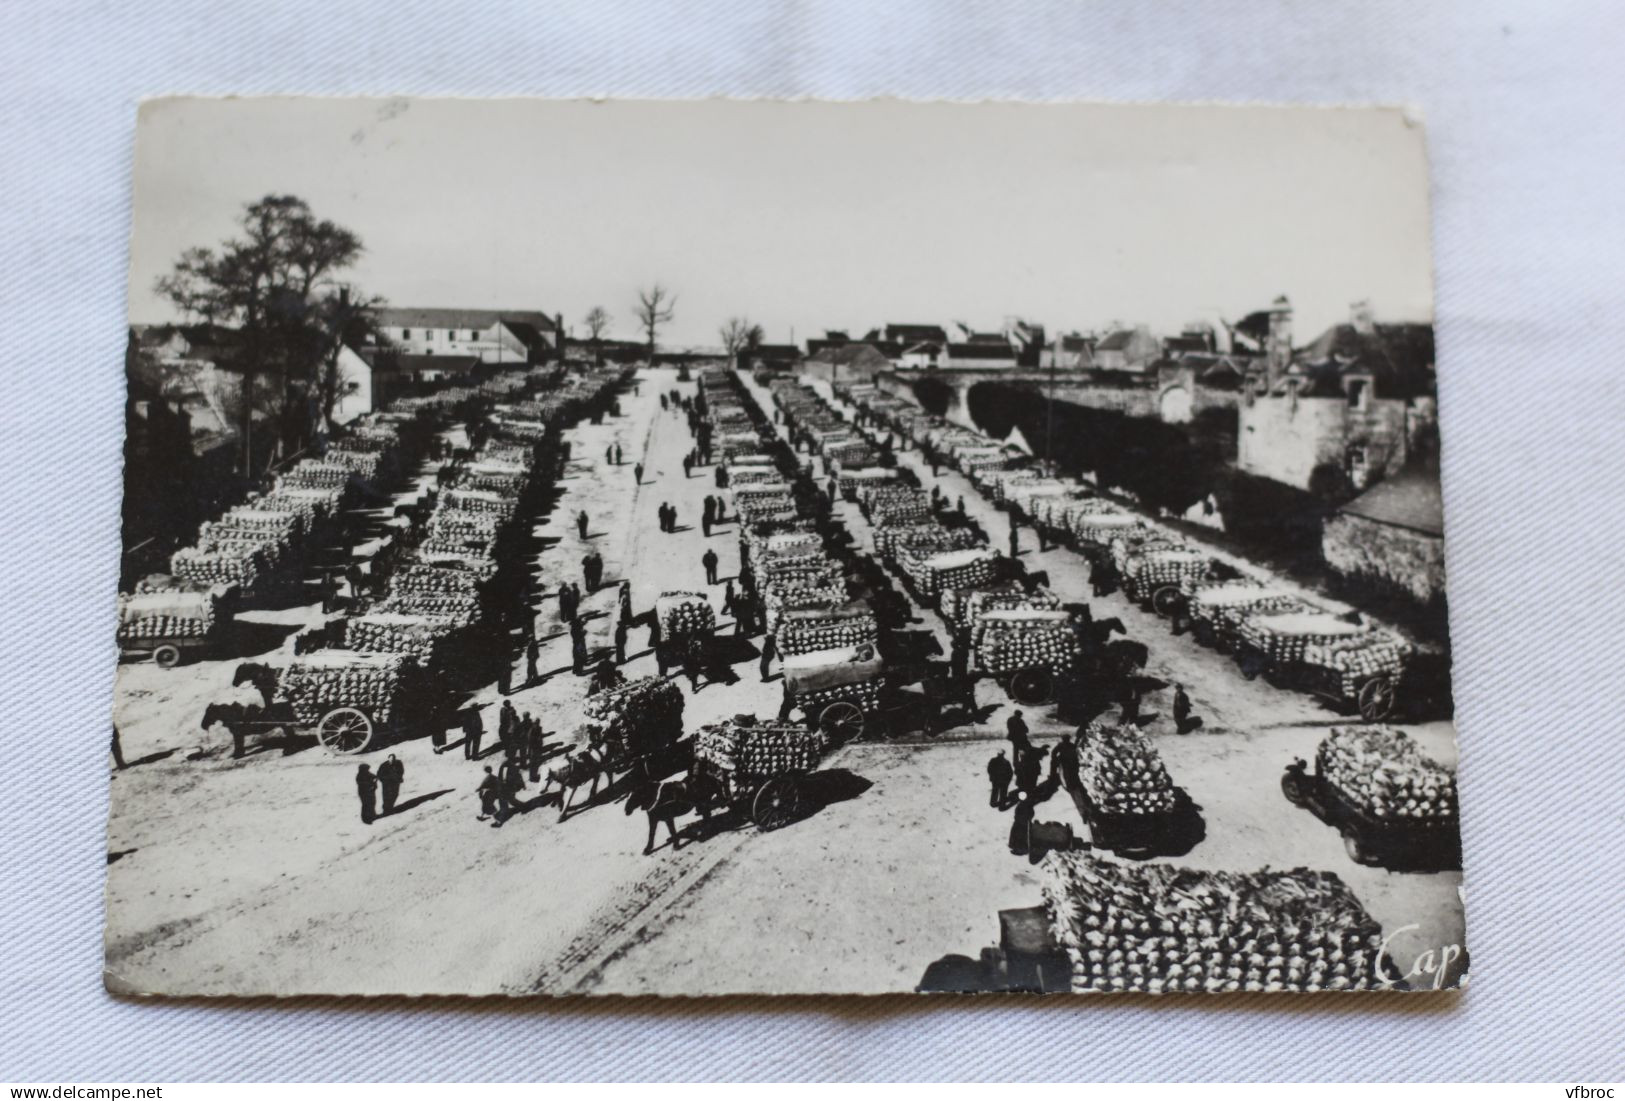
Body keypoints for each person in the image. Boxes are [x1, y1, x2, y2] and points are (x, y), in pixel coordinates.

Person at [1009, 790, 1034, 855]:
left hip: (1021, 823)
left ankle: (1020, 849)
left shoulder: (1022, 806)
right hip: (1022, 823)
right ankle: (1020, 849)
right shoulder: (1025, 806)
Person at [526, 717, 549, 783]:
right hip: (533, 749)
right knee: (533, 763)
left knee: (536, 763)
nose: (537, 724)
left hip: (538, 749)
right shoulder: (531, 730)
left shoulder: (539, 728)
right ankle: (532, 777)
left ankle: (534, 775)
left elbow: (540, 737)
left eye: (538, 722)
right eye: (536, 723)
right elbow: (530, 740)